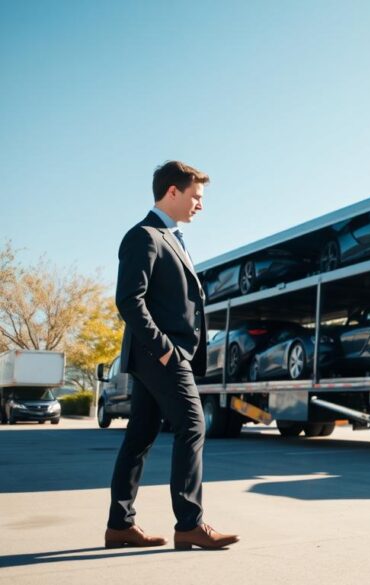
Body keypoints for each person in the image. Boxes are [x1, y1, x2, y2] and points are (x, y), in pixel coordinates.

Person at [105, 161, 239, 551]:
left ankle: (120, 526)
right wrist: (165, 350)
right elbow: (129, 300)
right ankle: (190, 525)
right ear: (173, 192)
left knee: (140, 437)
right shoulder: (145, 236)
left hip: (160, 356)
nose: (200, 205)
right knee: (193, 425)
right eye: (196, 196)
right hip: (160, 355)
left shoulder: (172, 237)